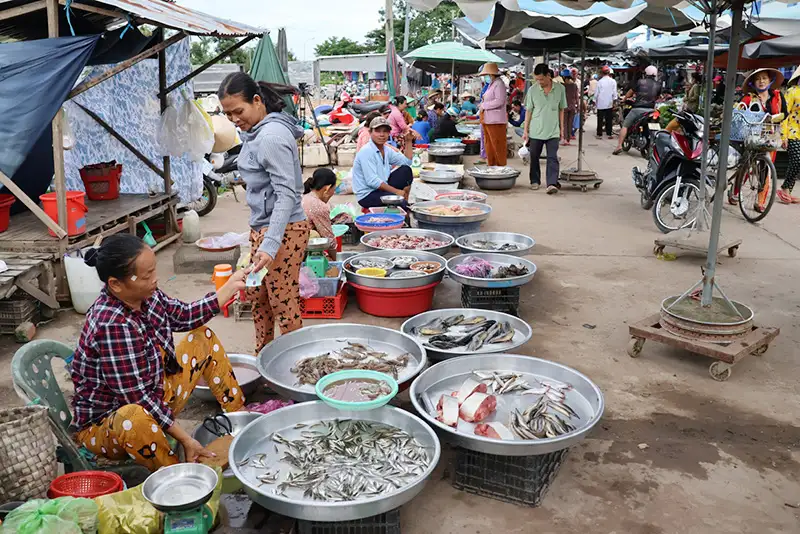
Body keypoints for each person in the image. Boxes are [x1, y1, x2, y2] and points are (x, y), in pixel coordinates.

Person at [71, 235, 248, 472]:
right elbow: (137, 398)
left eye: (153, 271)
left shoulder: (147, 295)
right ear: (115, 284)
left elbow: (184, 315)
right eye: (146, 276)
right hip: (111, 424)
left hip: (154, 398)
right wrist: (186, 439)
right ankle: (180, 479)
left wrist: (228, 288)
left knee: (202, 338)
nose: (155, 280)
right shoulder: (112, 324)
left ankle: (240, 420)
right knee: (134, 418)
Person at [219, 72, 310, 352]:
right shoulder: (254, 132)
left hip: (283, 231)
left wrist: (270, 244)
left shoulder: (271, 136)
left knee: (283, 302)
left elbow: (287, 194)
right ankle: (264, 356)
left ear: (257, 101)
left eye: (238, 111)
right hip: (264, 229)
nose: (234, 119)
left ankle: (297, 364)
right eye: (227, 114)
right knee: (259, 297)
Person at [523, 63, 567, 194]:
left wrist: (562, 129)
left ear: (549, 76)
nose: (539, 82)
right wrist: (526, 130)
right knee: (534, 156)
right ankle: (535, 180)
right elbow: (529, 111)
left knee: (552, 157)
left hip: (553, 129)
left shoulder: (560, 89)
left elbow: (561, 110)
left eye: (541, 79)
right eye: (537, 79)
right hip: (536, 130)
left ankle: (552, 183)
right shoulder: (532, 90)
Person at [352, 116, 413, 209]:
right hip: (368, 195)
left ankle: (403, 199)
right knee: (400, 203)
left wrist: (408, 141)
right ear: (370, 132)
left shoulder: (386, 149)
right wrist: (396, 191)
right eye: (377, 131)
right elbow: (372, 181)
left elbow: (406, 162)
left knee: (406, 170)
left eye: (385, 131)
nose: (382, 134)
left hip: (380, 188)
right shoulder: (367, 151)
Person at [614, 65, 661, 155]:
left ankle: (619, 146)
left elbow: (630, 93)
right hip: (651, 110)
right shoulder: (658, 84)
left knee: (625, 125)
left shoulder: (640, 82)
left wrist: (624, 99)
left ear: (646, 73)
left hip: (638, 109)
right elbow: (657, 97)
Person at [301, 168, 338, 259]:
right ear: (327, 188)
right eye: (334, 189)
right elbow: (329, 240)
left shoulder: (305, 195)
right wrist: (336, 260)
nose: (333, 193)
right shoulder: (318, 206)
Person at [478, 62, 509, 166]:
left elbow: (499, 101)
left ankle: (500, 167)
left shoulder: (499, 84)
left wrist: (484, 105)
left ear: (491, 74)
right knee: (489, 145)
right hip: (488, 119)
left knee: (497, 146)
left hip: (496, 120)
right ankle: (492, 166)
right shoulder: (492, 83)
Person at [780, 67, 800, 204]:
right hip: (792, 131)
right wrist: (783, 135)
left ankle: (788, 190)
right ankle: (785, 188)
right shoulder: (792, 91)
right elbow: (784, 114)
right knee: (796, 160)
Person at [595, 66, 617, 139]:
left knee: (600, 119)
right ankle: (609, 133)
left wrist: (595, 101)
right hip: (609, 103)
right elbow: (614, 93)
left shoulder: (600, 81)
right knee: (609, 119)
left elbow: (596, 93)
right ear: (609, 73)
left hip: (600, 103)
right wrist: (614, 102)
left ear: (602, 73)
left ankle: (599, 134)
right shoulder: (613, 81)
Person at [562, 69, 579, 145]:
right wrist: (578, 106)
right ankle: (568, 139)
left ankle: (565, 139)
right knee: (570, 123)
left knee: (565, 123)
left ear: (564, 77)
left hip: (564, 107)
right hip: (572, 107)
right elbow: (577, 97)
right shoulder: (574, 85)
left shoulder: (562, 86)